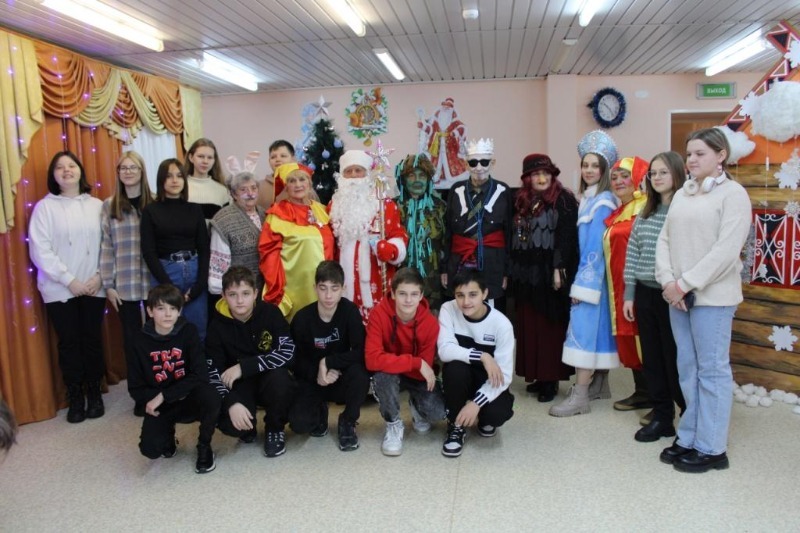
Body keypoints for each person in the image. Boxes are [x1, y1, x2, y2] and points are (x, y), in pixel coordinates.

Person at [655, 128, 751, 473]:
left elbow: (725, 252)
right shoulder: (684, 193)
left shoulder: (734, 195)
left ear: (721, 155)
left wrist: (684, 284)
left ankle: (712, 447)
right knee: (688, 368)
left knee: (711, 371)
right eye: (689, 154)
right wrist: (668, 281)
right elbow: (665, 240)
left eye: (700, 154)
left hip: (712, 298)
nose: (692, 160)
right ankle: (690, 435)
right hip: (678, 297)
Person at [29, 151, 107, 423]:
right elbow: (40, 250)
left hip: (94, 285)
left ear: (80, 171)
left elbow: (107, 245)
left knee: (92, 341)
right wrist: (69, 280)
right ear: (53, 175)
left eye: (71, 165)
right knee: (70, 344)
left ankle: (94, 393)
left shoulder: (97, 205)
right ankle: (75, 397)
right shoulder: (44, 208)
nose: (66, 170)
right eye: (59, 167)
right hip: (59, 289)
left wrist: (99, 276)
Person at [549, 130, 619, 417]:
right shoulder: (592, 198)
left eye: (595, 166)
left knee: (583, 333)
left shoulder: (601, 203)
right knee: (597, 331)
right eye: (585, 165)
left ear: (604, 170)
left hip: (591, 281)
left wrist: (581, 288)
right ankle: (599, 385)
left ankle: (580, 397)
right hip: (597, 281)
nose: (589, 170)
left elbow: (594, 249)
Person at [623, 151, 687, 443]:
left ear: (677, 174)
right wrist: (629, 294)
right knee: (652, 359)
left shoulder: (683, 210)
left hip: (672, 295)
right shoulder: (646, 211)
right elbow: (632, 254)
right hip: (645, 293)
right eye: (653, 173)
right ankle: (662, 417)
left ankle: (688, 416)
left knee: (674, 360)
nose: (657, 177)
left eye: (663, 172)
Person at [127, 284, 221, 474]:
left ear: (179, 311)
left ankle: (204, 445)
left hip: (188, 397)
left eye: (173, 308)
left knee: (212, 395)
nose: (168, 314)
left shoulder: (188, 331)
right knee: (150, 450)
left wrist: (166, 395)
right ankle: (167, 433)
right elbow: (135, 387)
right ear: (150, 311)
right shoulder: (138, 340)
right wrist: (157, 399)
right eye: (161, 308)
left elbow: (201, 374)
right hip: (161, 404)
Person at [510, 154, 579, 403]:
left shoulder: (564, 199)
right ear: (527, 178)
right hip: (526, 273)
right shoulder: (521, 200)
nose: (541, 178)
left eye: (546, 173)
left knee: (550, 326)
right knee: (530, 325)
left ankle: (550, 379)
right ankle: (537, 375)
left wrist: (559, 267)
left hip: (551, 274)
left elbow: (567, 236)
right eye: (536, 174)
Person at [206, 266, 296, 458]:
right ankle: (248, 426)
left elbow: (288, 352)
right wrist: (231, 403)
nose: (240, 301)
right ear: (223, 296)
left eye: (245, 293)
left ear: (255, 293)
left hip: (268, 378)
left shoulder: (271, 313)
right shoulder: (216, 326)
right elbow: (213, 373)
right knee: (232, 425)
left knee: (282, 379)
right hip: (239, 385)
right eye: (233, 294)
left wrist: (244, 367)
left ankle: (274, 428)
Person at [288, 261, 370, 451]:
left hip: (340, 376)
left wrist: (329, 362)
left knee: (360, 374)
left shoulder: (350, 312)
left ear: (343, 289)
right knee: (299, 424)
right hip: (312, 379)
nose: (328, 295)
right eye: (323, 288)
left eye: (334, 288)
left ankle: (348, 421)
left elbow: (361, 351)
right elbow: (293, 359)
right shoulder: (302, 318)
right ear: (315, 288)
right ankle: (320, 410)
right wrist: (317, 373)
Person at [365, 267, 446, 456]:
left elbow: (425, 367)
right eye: (402, 294)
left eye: (414, 294)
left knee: (438, 413)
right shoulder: (378, 314)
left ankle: (416, 405)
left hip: (415, 375)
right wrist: (415, 363)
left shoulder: (430, 323)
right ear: (393, 294)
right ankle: (393, 424)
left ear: (421, 296)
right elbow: (372, 359)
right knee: (383, 376)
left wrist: (417, 365)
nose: (408, 300)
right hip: (391, 372)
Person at [438, 269, 515, 457]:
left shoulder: (502, 324)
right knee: (454, 368)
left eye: (473, 295)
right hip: (461, 376)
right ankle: (456, 425)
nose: (466, 302)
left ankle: (481, 416)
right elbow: (444, 350)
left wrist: (476, 404)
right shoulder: (448, 309)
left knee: (495, 415)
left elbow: (505, 376)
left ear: (485, 293)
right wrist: (482, 356)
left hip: (488, 381)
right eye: (460, 295)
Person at [100, 151, 154, 417]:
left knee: (157, 339)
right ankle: (140, 395)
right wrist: (108, 284)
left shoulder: (154, 202)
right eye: (123, 168)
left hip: (153, 283)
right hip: (125, 285)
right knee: (132, 343)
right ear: (118, 173)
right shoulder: (109, 205)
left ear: (142, 172)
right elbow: (106, 246)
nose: (128, 172)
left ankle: (160, 391)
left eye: (133, 167)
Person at [329, 149, 409, 323]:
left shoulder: (384, 204)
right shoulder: (333, 206)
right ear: (341, 176)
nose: (353, 175)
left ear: (367, 174)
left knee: (378, 325)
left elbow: (398, 234)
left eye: (358, 170)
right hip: (342, 280)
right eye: (348, 171)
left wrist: (392, 249)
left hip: (376, 277)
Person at [141, 158, 210, 341]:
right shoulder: (150, 211)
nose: (174, 180)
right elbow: (148, 252)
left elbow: (204, 248)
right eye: (169, 176)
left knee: (198, 332)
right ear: (161, 180)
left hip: (194, 271)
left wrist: (199, 285)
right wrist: (169, 286)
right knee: (166, 331)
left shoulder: (195, 209)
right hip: (166, 272)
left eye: (179, 176)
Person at [604, 157, 652, 414]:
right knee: (629, 337)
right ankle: (643, 391)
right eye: (614, 177)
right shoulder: (619, 210)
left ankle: (658, 397)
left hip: (641, 285)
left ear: (638, 177)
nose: (619, 181)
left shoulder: (646, 207)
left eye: (625, 175)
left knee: (646, 339)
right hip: (618, 286)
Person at [442, 138, 512, 312]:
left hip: (492, 262)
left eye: (484, 162)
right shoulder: (456, 190)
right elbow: (448, 232)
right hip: (460, 260)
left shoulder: (503, 191)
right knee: (462, 305)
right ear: (466, 165)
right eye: (473, 163)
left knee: (491, 310)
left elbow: (508, 235)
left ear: (492, 163)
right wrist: (444, 268)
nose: (479, 167)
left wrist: (506, 272)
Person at [259, 164, 334, 321]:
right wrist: (276, 290)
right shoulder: (277, 214)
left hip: (325, 288)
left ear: (309, 183)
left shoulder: (322, 210)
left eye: (302, 179)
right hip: (294, 290)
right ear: (286, 187)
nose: (298, 184)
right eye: (292, 181)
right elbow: (269, 256)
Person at [394, 153, 447, 311]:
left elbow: (448, 244)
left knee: (431, 320)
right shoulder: (392, 207)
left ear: (429, 179)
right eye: (411, 175)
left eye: (422, 175)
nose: (417, 180)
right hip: (401, 279)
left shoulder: (441, 207)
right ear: (403, 179)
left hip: (433, 282)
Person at [209, 171, 266, 296]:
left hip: (265, 289)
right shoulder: (223, 220)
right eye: (243, 190)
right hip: (238, 291)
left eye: (253, 188)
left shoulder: (265, 214)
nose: (250, 193)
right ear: (234, 194)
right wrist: (223, 291)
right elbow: (218, 261)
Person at [417, 98, 470, 188]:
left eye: (448, 107)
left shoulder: (454, 121)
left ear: (451, 109)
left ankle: (453, 179)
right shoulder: (437, 120)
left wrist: (455, 133)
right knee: (436, 164)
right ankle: (436, 178)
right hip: (437, 147)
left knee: (451, 163)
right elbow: (431, 129)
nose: (445, 108)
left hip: (449, 148)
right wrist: (423, 126)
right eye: (444, 106)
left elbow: (462, 128)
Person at [184, 137, 230, 222]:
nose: (205, 161)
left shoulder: (222, 190)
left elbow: (226, 223)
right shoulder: (180, 187)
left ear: (214, 160)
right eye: (201, 156)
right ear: (191, 157)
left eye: (210, 157)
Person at [257, 140, 296, 210]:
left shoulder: (303, 185)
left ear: (293, 159)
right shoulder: (259, 187)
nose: (278, 159)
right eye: (273, 157)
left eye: (283, 156)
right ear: (269, 161)